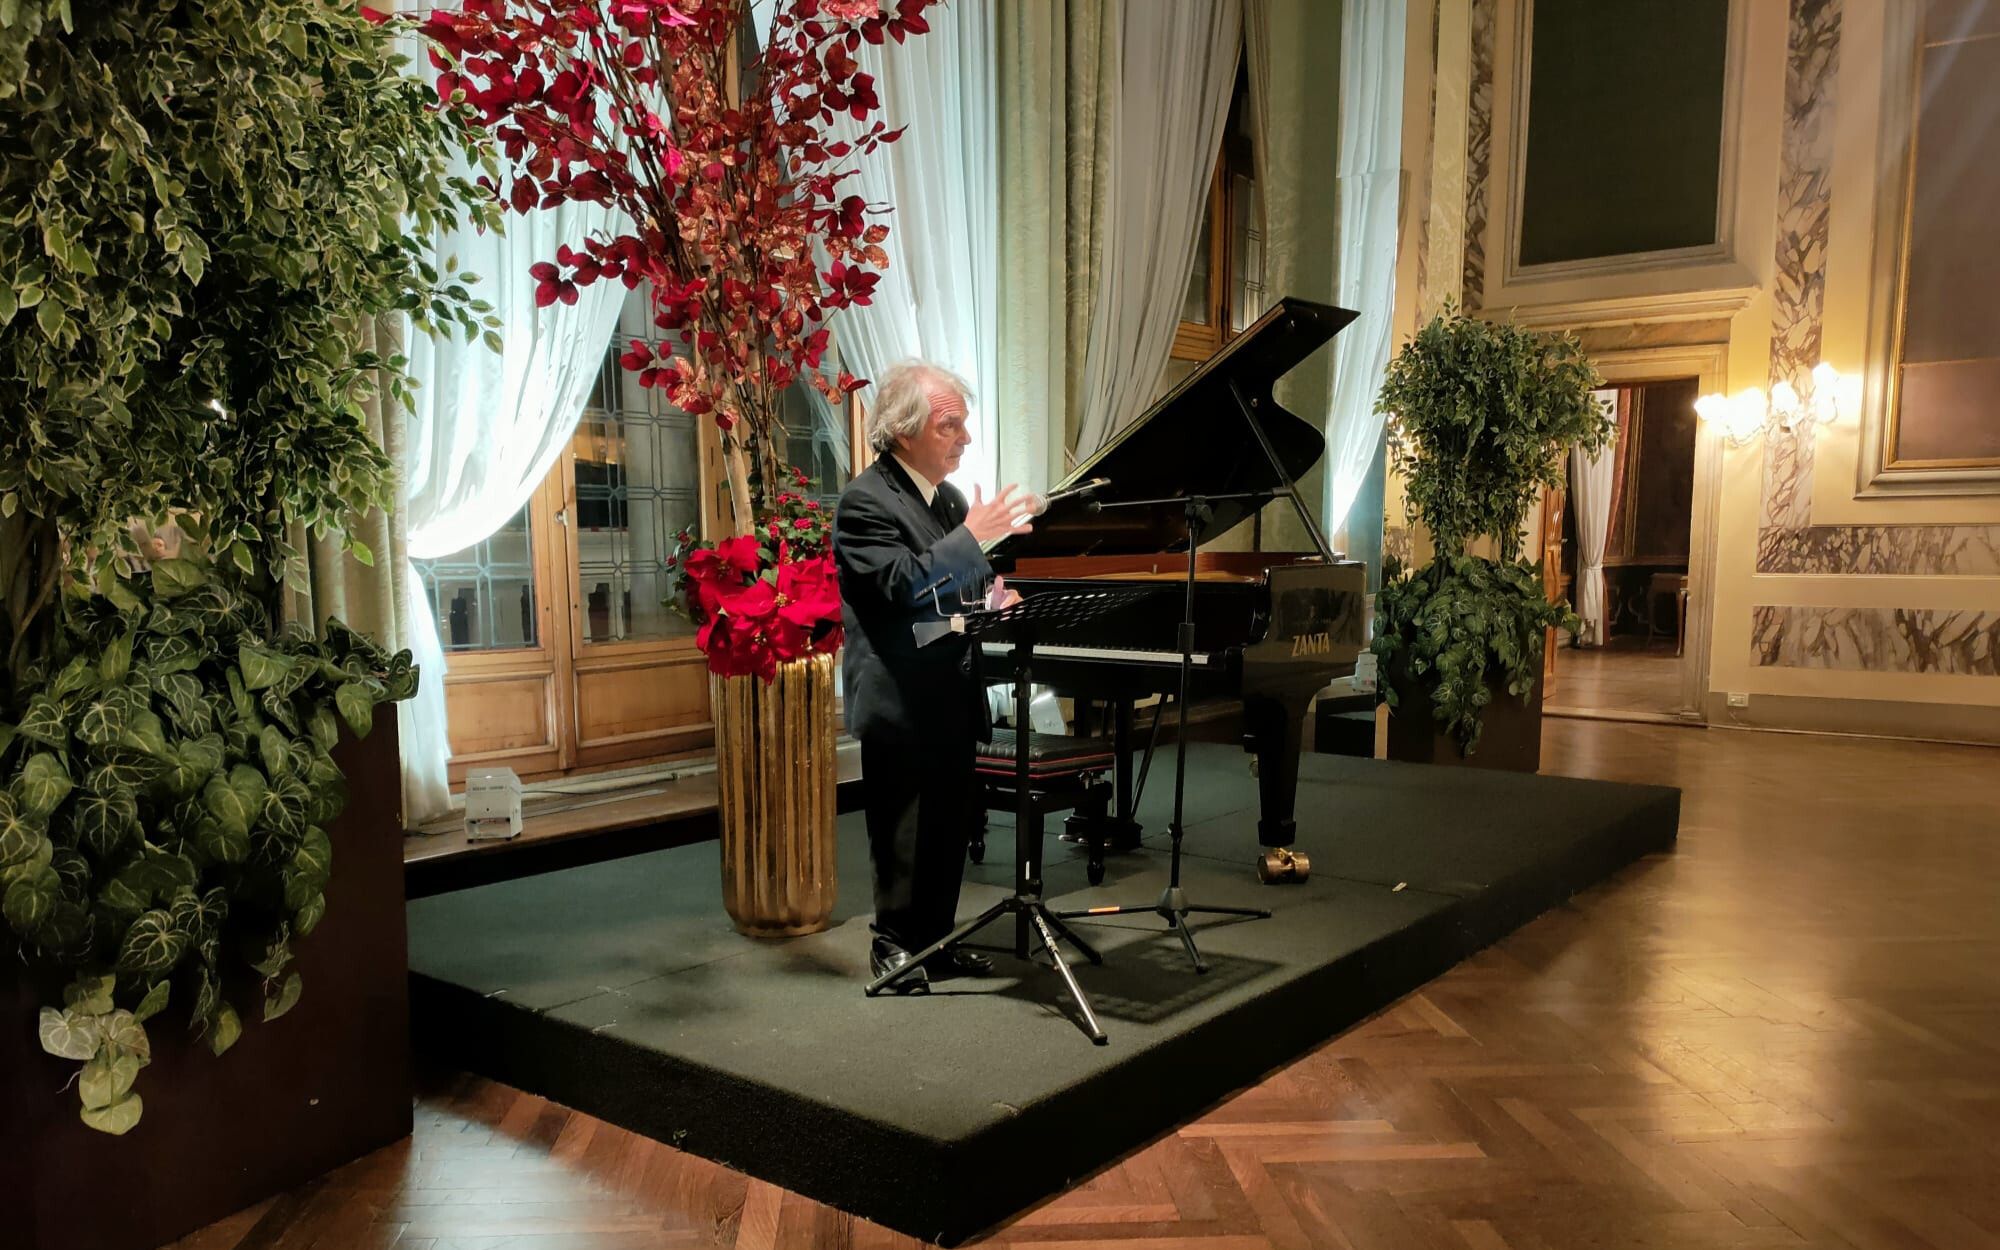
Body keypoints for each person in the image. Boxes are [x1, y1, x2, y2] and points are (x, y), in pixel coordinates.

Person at [833, 361, 1031, 993]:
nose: (965, 438)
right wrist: (974, 539)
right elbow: (901, 587)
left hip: (949, 686)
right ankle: (892, 947)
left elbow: (953, 587)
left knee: (950, 824)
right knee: (903, 828)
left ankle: (937, 941)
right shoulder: (865, 500)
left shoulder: (944, 500)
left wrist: (994, 598)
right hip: (899, 694)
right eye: (951, 425)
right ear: (904, 431)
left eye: (963, 424)